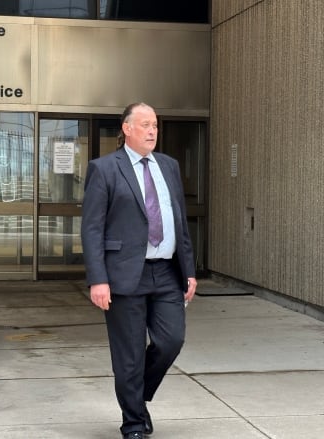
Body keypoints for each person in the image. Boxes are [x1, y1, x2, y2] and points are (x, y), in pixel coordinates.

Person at [81, 102, 197, 439]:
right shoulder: (104, 169)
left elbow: (179, 222)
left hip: (166, 273)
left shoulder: (169, 166)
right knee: (128, 354)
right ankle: (133, 421)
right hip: (123, 274)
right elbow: (91, 229)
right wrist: (98, 279)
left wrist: (188, 270)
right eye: (144, 125)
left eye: (155, 126)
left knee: (171, 340)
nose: (151, 131)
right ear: (126, 129)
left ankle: (135, 395)